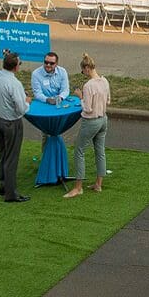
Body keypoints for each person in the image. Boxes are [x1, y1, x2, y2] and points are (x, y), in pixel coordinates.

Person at [63, 54, 108, 199]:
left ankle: (78, 188)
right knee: (99, 151)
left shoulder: (88, 86)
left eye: (83, 71)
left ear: (87, 68)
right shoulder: (105, 81)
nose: (83, 74)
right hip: (103, 119)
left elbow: (87, 108)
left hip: (91, 122)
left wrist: (80, 97)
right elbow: (108, 101)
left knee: (79, 151)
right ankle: (98, 184)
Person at [0, 52, 29, 203]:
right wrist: (27, 101)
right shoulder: (14, 83)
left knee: (3, 154)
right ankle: (11, 193)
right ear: (16, 67)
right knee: (12, 158)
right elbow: (21, 108)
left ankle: (3, 185)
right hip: (11, 123)